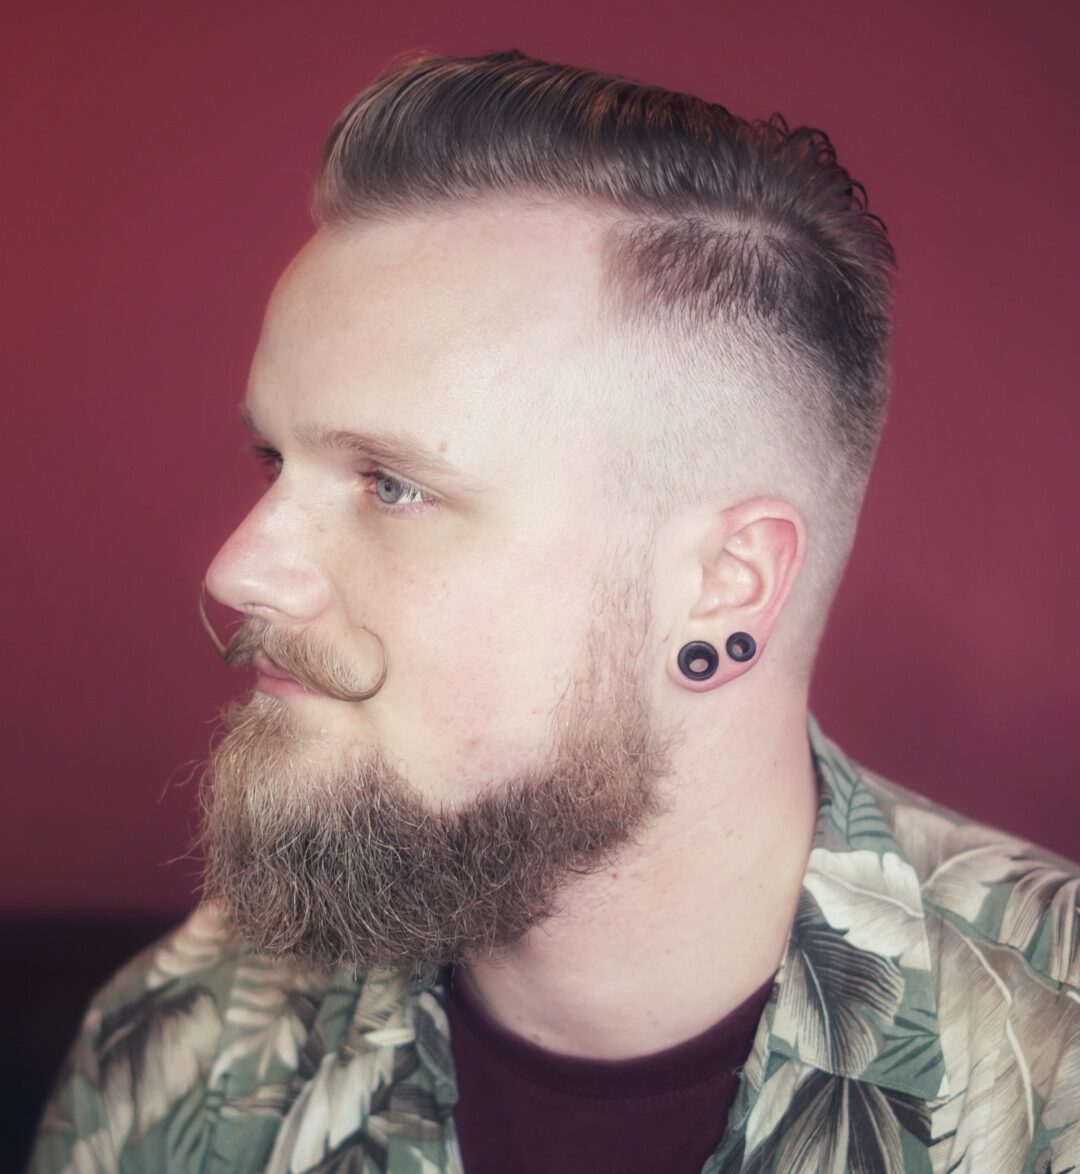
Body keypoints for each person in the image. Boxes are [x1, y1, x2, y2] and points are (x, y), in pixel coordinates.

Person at [28, 49, 1080, 1174]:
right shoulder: (178, 1047)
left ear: (722, 584)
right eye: (272, 461)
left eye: (393, 485)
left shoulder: (1052, 1070)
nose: (241, 569)